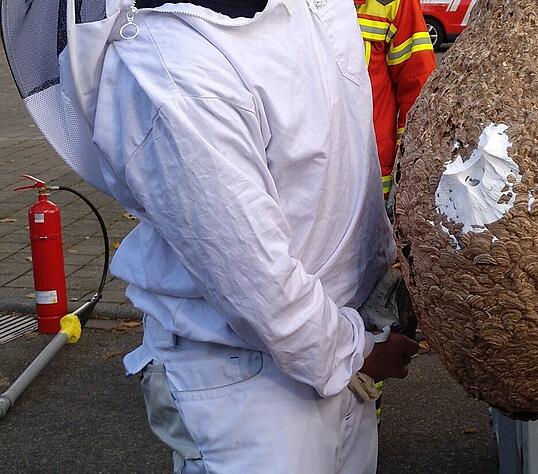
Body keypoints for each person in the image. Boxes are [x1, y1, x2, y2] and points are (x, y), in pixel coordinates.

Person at [60, 0, 420, 471]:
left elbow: (338, 166)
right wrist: (358, 351)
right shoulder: (169, 68)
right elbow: (257, 283)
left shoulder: (314, 8)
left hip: (337, 341)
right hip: (248, 387)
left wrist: (378, 286)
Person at [354, 0, 437, 198]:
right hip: (293, 172)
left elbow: (418, 87)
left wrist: (407, 162)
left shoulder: (396, 3)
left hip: (365, 173)